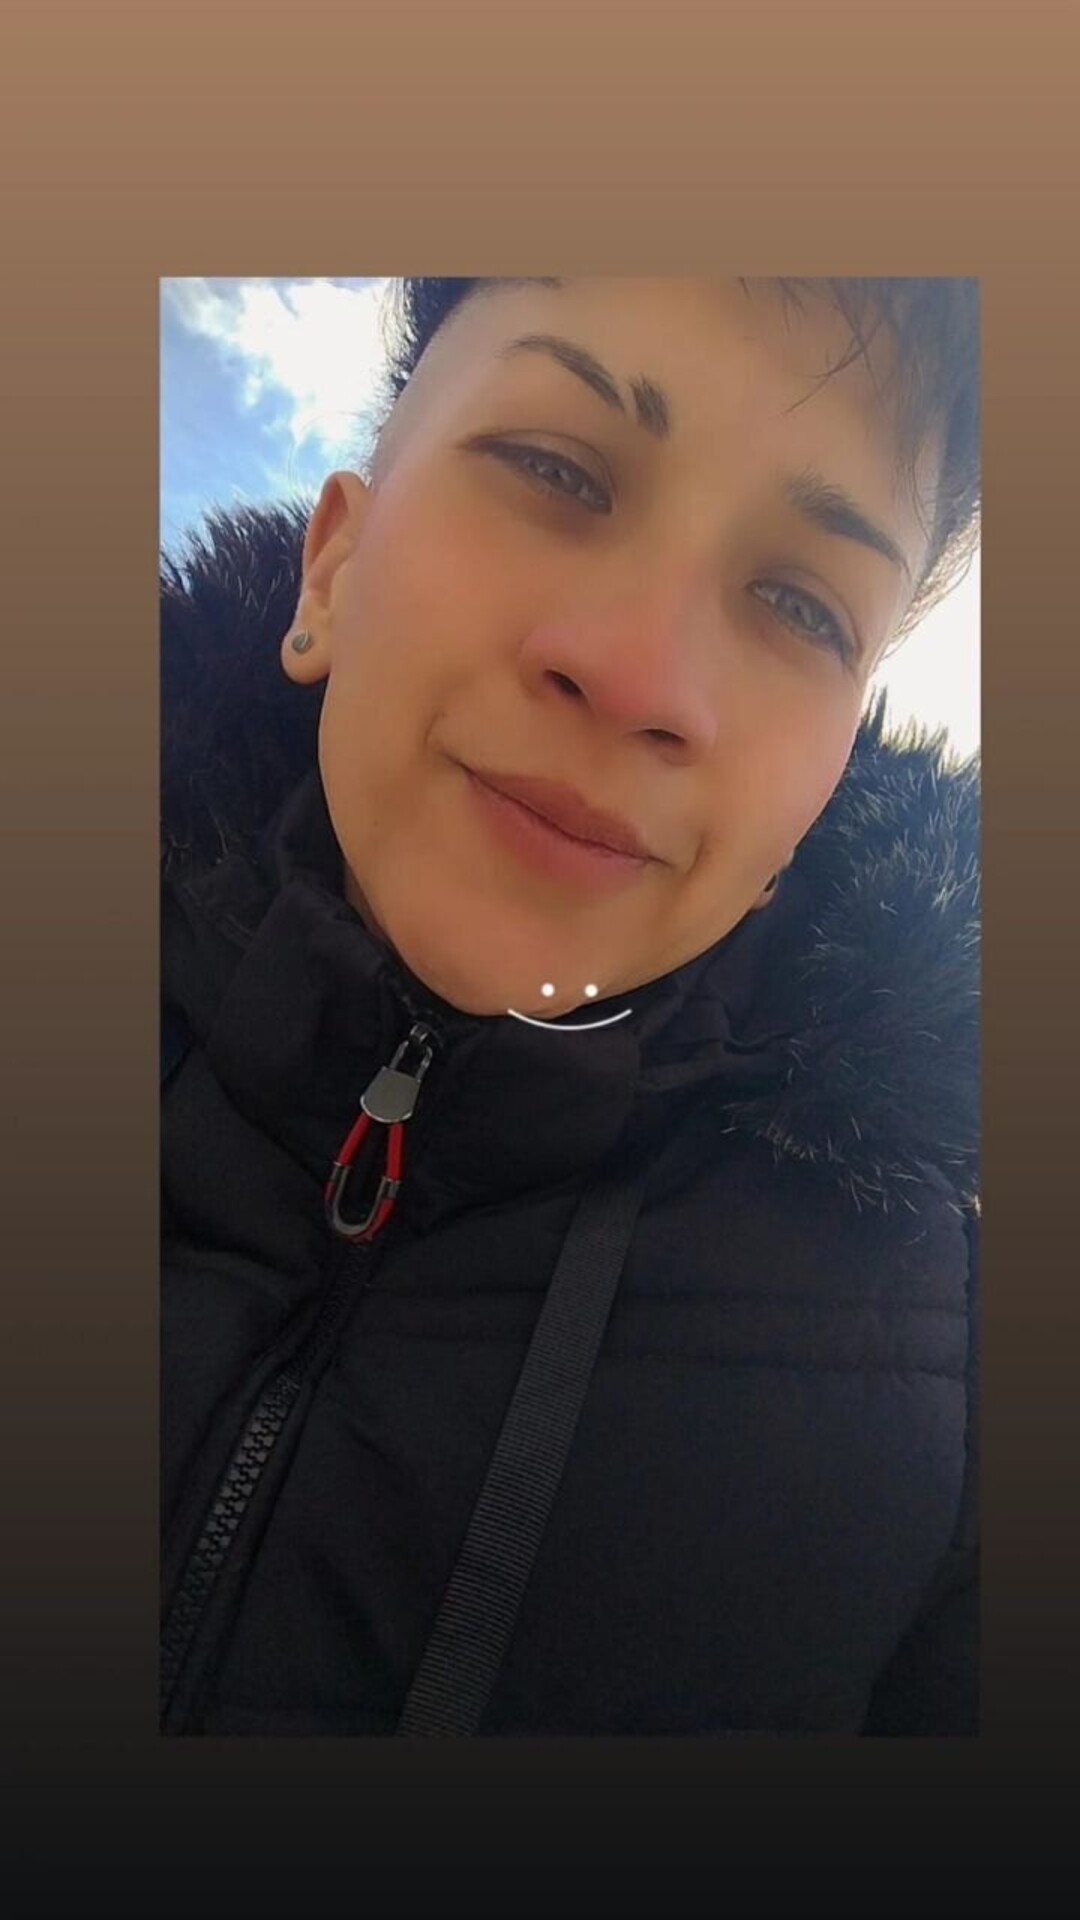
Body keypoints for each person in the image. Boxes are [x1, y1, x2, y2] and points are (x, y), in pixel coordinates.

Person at [160, 276, 980, 1736]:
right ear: (331, 568)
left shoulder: (951, 1382)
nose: (640, 675)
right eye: (558, 470)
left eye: (800, 604)